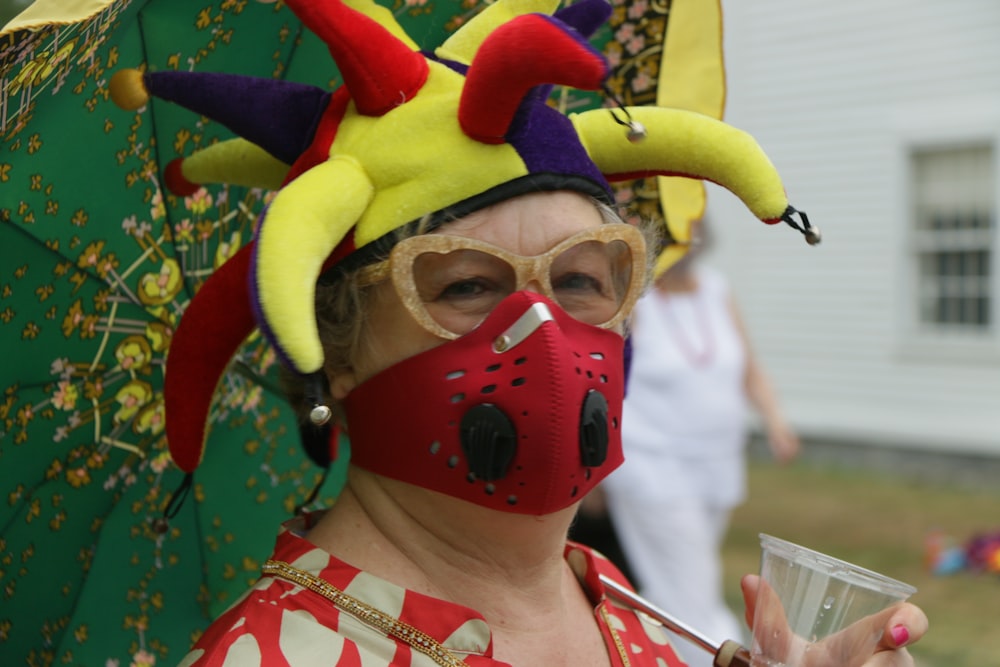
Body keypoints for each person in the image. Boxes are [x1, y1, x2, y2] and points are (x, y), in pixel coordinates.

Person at [110, 1, 926, 665]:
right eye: (466, 284)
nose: (542, 330)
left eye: (581, 278)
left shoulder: (609, 594)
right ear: (341, 345)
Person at [601, 220, 801, 667]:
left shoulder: (716, 289)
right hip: (651, 464)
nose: (685, 241)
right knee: (692, 590)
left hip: (716, 463)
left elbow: (749, 367)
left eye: (692, 230)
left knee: (675, 585)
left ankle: (638, 652)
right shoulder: (633, 297)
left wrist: (776, 421)